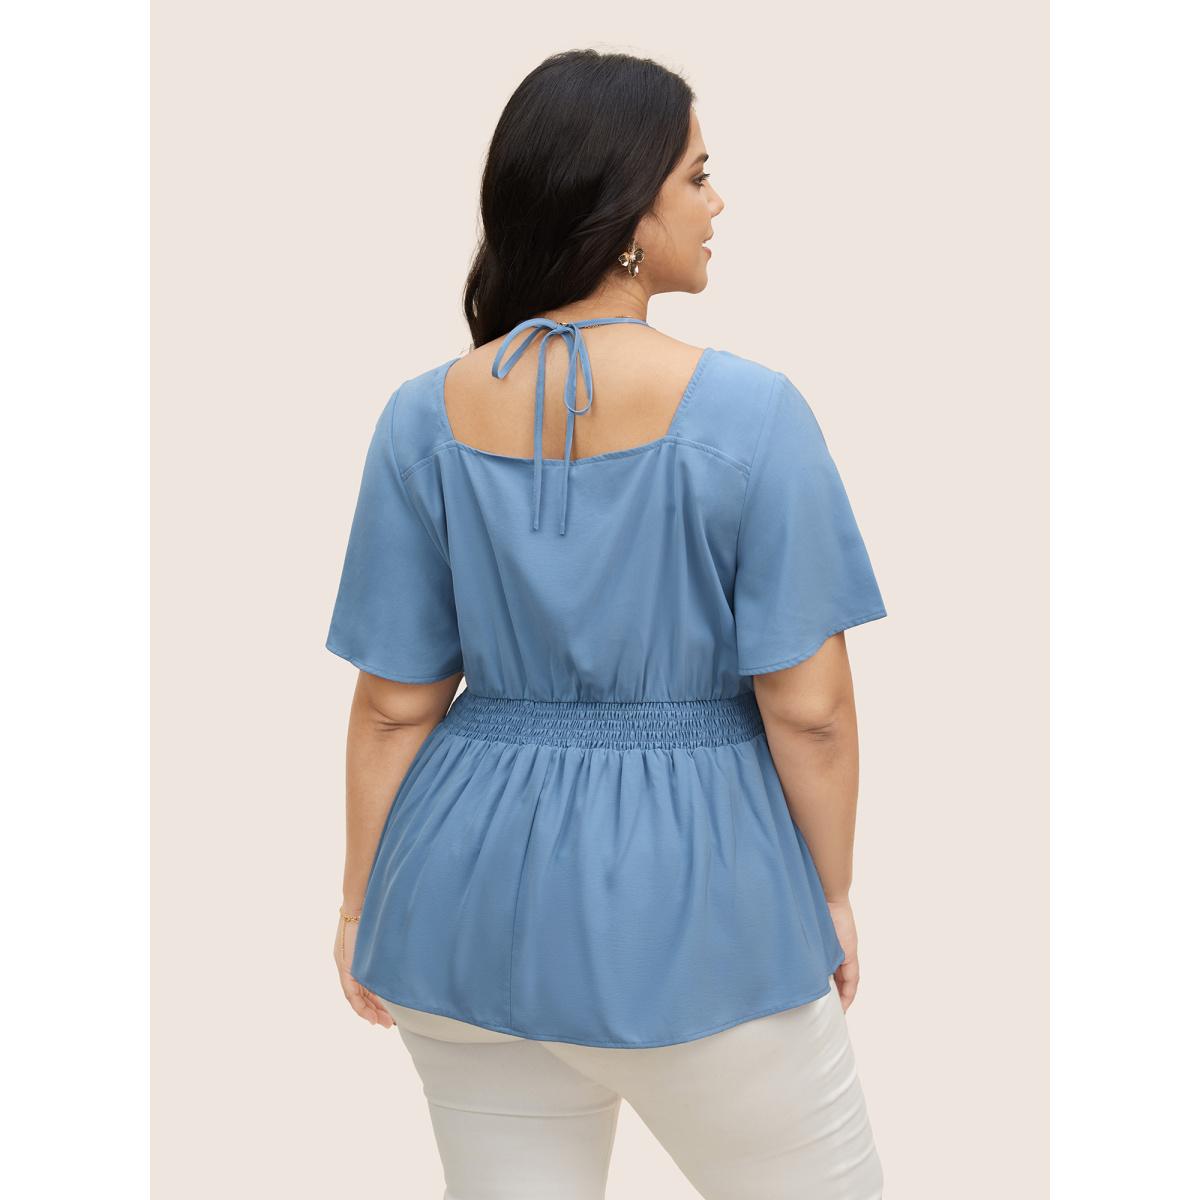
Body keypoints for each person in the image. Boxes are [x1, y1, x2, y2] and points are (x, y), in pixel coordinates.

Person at [325, 48, 888, 1200]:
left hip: (458, 900)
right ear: (630, 212)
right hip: (702, 896)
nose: (717, 203)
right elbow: (812, 711)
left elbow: (392, 706)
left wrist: (360, 903)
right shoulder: (752, 413)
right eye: (697, 176)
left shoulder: (420, 416)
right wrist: (828, 895)